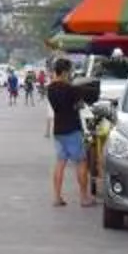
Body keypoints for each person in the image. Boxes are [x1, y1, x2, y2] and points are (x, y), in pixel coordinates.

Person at [45, 56, 97, 207]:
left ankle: (57, 197)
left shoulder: (50, 89)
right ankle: (84, 197)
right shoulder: (71, 89)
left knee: (60, 163)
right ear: (66, 72)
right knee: (81, 162)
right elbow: (80, 105)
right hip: (72, 129)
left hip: (58, 130)